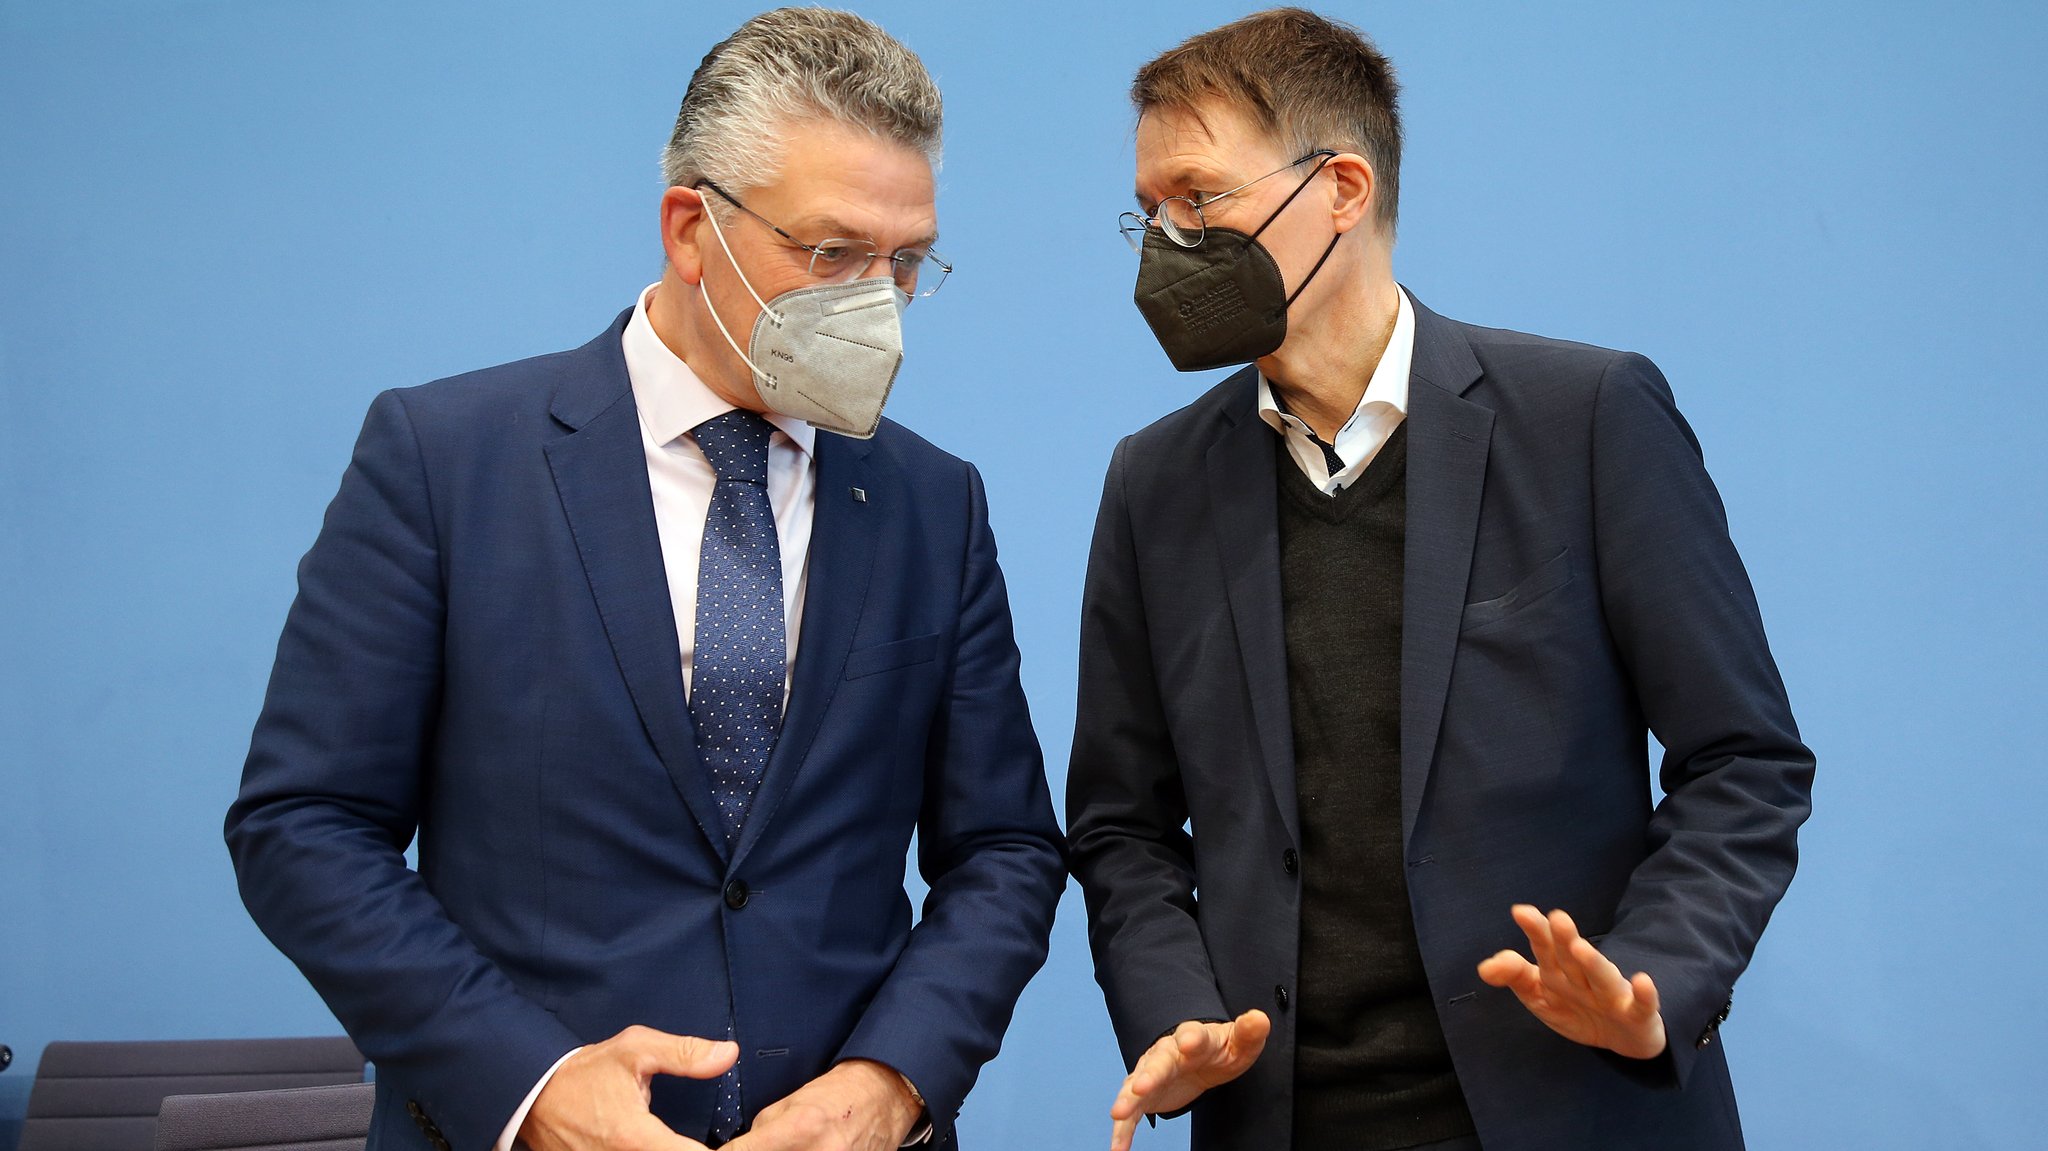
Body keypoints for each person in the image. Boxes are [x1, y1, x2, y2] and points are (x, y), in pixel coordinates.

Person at [225, 10, 1064, 1151]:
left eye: (905, 262)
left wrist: (890, 1077)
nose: (875, 299)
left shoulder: (932, 501)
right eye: (831, 254)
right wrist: (531, 1082)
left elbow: (1006, 850)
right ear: (689, 226)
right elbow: (305, 824)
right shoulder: (446, 458)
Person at [1064, 9, 1814, 1151]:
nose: (1167, 240)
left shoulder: (1587, 417)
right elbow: (1120, 824)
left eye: (1199, 199)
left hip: (1570, 1105)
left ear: (1343, 187)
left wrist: (1645, 977)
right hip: (1283, 1116)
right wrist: (1174, 1010)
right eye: (1151, 209)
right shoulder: (1153, 481)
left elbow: (1743, 761)